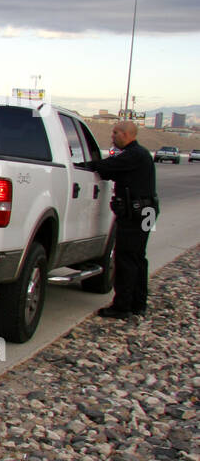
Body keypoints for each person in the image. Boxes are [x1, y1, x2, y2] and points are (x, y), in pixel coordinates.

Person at [86, 121, 157, 318]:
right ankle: (138, 303)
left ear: (126, 135)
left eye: (115, 132)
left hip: (136, 213)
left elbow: (106, 167)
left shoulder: (133, 155)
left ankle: (122, 306)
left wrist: (86, 166)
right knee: (138, 257)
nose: (112, 135)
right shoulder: (140, 154)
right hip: (147, 211)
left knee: (126, 257)